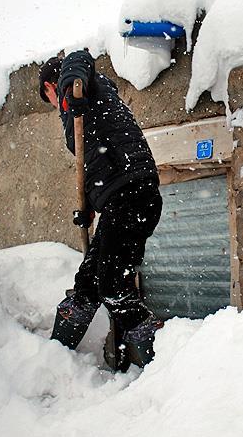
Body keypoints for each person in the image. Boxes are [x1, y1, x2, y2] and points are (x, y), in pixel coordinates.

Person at [38, 49, 164, 367]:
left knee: (110, 283)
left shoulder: (87, 86)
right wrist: (91, 206)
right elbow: (94, 163)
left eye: (49, 96)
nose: (54, 105)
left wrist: (71, 83)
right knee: (88, 286)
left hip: (132, 193)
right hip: (119, 198)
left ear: (50, 87)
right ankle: (55, 363)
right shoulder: (86, 110)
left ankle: (157, 352)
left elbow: (79, 57)